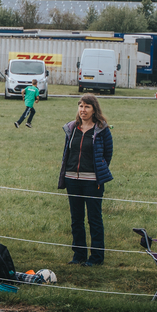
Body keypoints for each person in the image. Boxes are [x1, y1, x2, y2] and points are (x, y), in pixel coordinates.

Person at [59, 93, 113, 267]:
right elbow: (67, 153)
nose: (83, 110)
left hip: (92, 182)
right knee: (76, 219)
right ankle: (79, 255)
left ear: (94, 109)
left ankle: (96, 258)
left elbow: (107, 154)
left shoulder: (102, 129)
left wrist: (97, 170)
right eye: (80, 106)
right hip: (72, 180)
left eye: (87, 106)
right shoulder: (72, 128)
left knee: (94, 219)